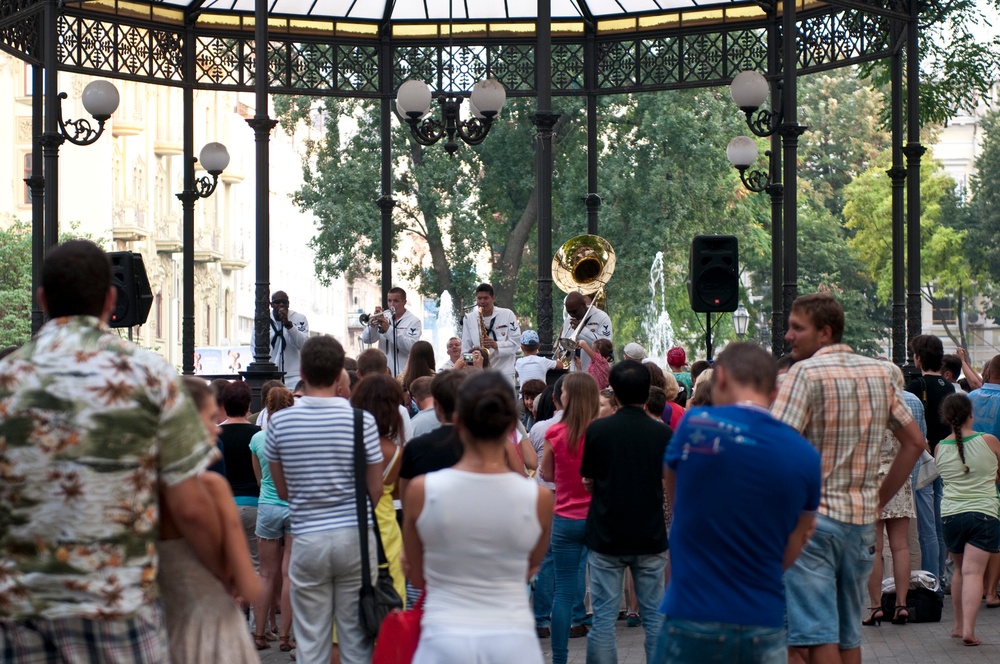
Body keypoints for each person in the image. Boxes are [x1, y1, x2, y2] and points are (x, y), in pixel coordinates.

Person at [0, 240, 228, 662]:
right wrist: (224, 572)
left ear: (43, 300)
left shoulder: (7, 377)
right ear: (111, 299)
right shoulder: (151, 375)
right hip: (116, 606)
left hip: (22, 609)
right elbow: (191, 506)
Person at [771, 293, 924, 664]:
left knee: (814, 633)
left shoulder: (803, 375)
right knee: (847, 632)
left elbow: (775, 446)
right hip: (859, 521)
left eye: (796, 328)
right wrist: (877, 499)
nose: (788, 335)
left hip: (812, 521)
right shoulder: (877, 373)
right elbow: (915, 442)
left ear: (824, 333)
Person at [655, 343, 820, 664]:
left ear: (721, 379)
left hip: (692, 610)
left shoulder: (696, 424)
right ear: (774, 391)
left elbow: (676, 499)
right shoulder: (804, 454)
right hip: (763, 616)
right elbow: (799, 537)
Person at [402, 371, 554, 663]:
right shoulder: (539, 499)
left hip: (444, 636)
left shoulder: (423, 491)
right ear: (512, 425)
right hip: (513, 639)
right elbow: (531, 567)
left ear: (457, 422)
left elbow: (418, 575)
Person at [265, 336, 383, 664]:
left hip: (307, 539)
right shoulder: (362, 421)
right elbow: (375, 490)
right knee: (355, 640)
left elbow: (284, 491)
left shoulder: (280, 423)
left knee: (312, 639)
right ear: (339, 375)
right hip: (355, 540)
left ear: (301, 370)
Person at [161, 377, 263, 663]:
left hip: (164, 631)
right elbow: (247, 584)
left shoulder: (145, 492)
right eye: (209, 418)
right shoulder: (211, 489)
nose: (215, 430)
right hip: (214, 629)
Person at [580, 360, 673, 663]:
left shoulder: (598, 431)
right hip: (649, 533)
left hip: (607, 532)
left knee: (604, 621)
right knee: (656, 619)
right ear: (648, 392)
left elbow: (588, 481)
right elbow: (668, 481)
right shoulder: (661, 433)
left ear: (615, 393)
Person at [540, 373, 600, 664]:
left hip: (564, 516)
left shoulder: (554, 433)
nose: (559, 396)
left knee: (562, 592)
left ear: (569, 397)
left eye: (561, 392)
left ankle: (560, 659)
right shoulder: (600, 431)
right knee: (603, 592)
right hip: (598, 518)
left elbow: (547, 474)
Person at [936, 392, 1000, 646]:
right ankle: (969, 631)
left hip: (951, 515)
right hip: (983, 513)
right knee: (974, 572)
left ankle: (957, 625)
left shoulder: (940, 447)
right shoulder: (990, 441)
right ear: (971, 414)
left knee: (960, 572)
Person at [863, 363, 919, 628]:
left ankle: (875, 606)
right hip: (899, 480)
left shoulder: (866, 411)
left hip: (871, 482)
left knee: (874, 548)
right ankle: (901, 604)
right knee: (900, 546)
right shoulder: (903, 410)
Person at [351, 374, 408, 604]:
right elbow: (398, 494)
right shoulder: (396, 452)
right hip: (385, 528)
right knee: (390, 604)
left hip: (349, 524)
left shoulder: (349, 442)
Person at [249, 385, 297, 653]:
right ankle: (286, 637)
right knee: (288, 574)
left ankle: (258, 633)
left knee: (265, 573)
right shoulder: (300, 438)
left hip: (267, 505)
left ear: (266, 409)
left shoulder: (258, 439)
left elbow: (259, 479)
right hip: (294, 506)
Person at [906, 333, 955, 586]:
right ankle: (943, 578)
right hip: (945, 460)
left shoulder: (916, 388)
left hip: (924, 463)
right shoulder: (950, 387)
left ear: (919, 358)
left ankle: (930, 580)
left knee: (927, 528)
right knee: (940, 523)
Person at [218, 381, 262, 575]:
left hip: (224, 505)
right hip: (254, 502)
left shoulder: (215, 434)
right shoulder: (258, 434)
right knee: (256, 564)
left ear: (224, 405)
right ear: (248, 405)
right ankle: (256, 606)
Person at [967, 354, 1000, 607]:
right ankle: (991, 591)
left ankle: (976, 587)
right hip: (997, 471)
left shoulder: (969, 399)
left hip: (973, 473)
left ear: (988, 373)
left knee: (980, 532)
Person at [461, 283, 521, 385]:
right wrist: (476, 358)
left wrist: (496, 345)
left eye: (486, 298)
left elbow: (516, 343)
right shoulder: (469, 318)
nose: (482, 302)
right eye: (479, 298)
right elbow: (464, 353)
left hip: (504, 372)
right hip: (480, 374)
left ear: (493, 298)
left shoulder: (507, 314)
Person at [360, 286, 423, 377]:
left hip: (403, 373)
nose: (392, 304)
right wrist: (373, 325)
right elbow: (367, 339)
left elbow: (410, 346)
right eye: (389, 301)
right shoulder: (384, 316)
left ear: (404, 302)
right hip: (382, 372)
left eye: (396, 301)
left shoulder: (413, 321)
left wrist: (388, 329)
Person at [558, 291, 613, 372]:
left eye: (574, 311)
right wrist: (566, 354)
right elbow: (563, 347)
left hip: (595, 373)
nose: (572, 315)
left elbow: (605, 346)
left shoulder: (602, 317)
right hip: (574, 371)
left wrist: (582, 330)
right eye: (569, 312)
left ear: (583, 305)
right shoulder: (569, 319)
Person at [265, 290, 309, 388]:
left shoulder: (299, 319)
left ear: (288, 304)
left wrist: (289, 325)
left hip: (293, 376)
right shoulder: (264, 320)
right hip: (271, 375)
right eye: (277, 302)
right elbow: (255, 346)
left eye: (284, 302)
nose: (281, 304)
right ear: (271, 304)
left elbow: (304, 344)